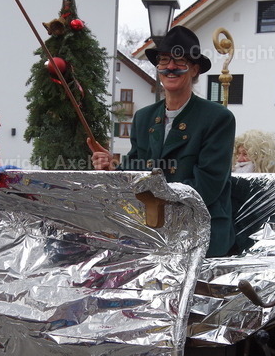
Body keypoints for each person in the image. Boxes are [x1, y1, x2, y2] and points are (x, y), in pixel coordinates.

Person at [89, 25, 235, 257]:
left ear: (195, 69)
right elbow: (134, 172)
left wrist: (154, 195)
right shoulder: (143, 117)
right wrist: (112, 170)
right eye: (164, 60)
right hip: (151, 230)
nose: (170, 67)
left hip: (200, 232)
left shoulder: (218, 118)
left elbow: (207, 187)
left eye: (179, 61)